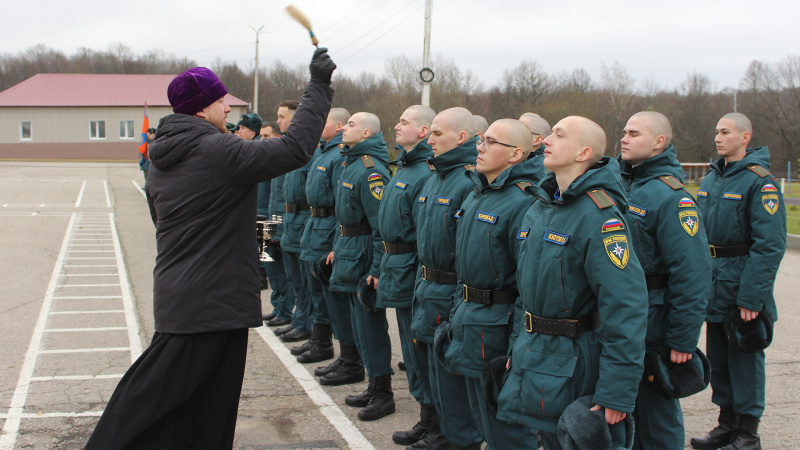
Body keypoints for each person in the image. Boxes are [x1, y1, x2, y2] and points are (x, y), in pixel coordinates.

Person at [85, 48, 335, 448]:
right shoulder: (217, 150)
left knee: (205, 406)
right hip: (209, 302)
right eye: (221, 100)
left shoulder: (162, 158)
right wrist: (319, 87)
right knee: (154, 397)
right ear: (202, 108)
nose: (226, 107)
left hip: (189, 295)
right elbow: (293, 151)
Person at [496, 116, 648, 450]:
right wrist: (516, 346)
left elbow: (625, 306)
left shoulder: (600, 215)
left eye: (558, 135)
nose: (546, 140)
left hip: (577, 361)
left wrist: (616, 392)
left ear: (583, 153)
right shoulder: (541, 207)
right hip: (536, 356)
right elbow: (527, 291)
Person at [690, 113, 786, 450]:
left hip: (741, 284)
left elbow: (770, 245)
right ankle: (727, 425)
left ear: (745, 136)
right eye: (716, 131)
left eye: (726, 132)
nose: (718, 138)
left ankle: (747, 433)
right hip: (714, 283)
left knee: (745, 359)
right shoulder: (712, 179)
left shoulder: (761, 182)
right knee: (719, 359)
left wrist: (751, 298)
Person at [446, 118, 544, 449]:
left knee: (508, 429)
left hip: (499, 330)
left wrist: (519, 345)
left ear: (516, 154)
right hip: (471, 321)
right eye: (481, 141)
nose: (480, 147)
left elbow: (527, 287)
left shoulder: (523, 201)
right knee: (484, 421)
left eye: (490, 142)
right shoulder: (479, 194)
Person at [618, 111, 711, 449]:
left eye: (634, 133)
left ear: (658, 142)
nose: (624, 138)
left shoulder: (673, 197)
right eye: (624, 132)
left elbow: (693, 274)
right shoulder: (618, 184)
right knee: (623, 412)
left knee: (656, 417)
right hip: (620, 317)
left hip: (653, 322)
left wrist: (683, 340)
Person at [411, 107, 482, 450]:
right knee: (432, 370)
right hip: (428, 287)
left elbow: (468, 253)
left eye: (438, 133)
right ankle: (439, 429)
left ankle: (458, 438)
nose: (430, 139)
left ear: (462, 138)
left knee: (452, 376)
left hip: (450, 291)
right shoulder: (435, 177)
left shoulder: (467, 182)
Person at [373, 105, 438, 445]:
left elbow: (425, 234)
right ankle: (426, 416)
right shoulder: (403, 168)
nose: (396, 126)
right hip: (395, 268)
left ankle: (434, 419)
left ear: (423, 131)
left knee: (420, 349)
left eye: (404, 122)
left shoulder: (425, 172)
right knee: (411, 352)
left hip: (413, 272)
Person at [326, 112, 396, 421]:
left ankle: (383, 392)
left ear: (367, 132)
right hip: (348, 250)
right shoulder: (349, 163)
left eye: (351, 125)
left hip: (364, 254)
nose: (344, 128)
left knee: (371, 326)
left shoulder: (370, 172)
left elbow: (382, 227)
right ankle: (371, 382)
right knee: (358, 324)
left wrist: (378, 268)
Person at [299, 108, 365, 385]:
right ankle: (327, 344)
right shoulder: (323, 152)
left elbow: (344, 205)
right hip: (315, 229)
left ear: (338, 125)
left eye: (323, 120)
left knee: (337, 301)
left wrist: (338, 242)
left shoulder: (338, 155)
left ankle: (349, 357)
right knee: (318, 293)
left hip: (330, 232)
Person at [264, 101, 301, 337]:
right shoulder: (262, 153)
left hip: (278, 219)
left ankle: (286, 310)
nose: (278, 120)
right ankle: (279, 307)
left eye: (282, 117)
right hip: (265, 218)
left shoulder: (287, 151)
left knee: (284, 268)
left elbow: (283, 196)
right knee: (269, 265)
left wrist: (278, 224)